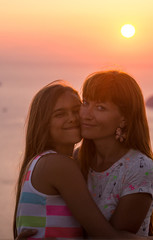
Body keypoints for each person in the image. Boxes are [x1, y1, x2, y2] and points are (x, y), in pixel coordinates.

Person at [13, 80, 144, 239]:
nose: (73, 118)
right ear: (43, 124)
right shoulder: (59, 165)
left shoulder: (43, 162)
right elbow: (103, 235)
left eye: (76, 110)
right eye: (60, 114)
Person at [78, 70, 153, 237]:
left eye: (100, 107)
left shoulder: (138, 167)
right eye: (85, 102)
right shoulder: (78, 159)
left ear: (124, 119)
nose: (86, 114)